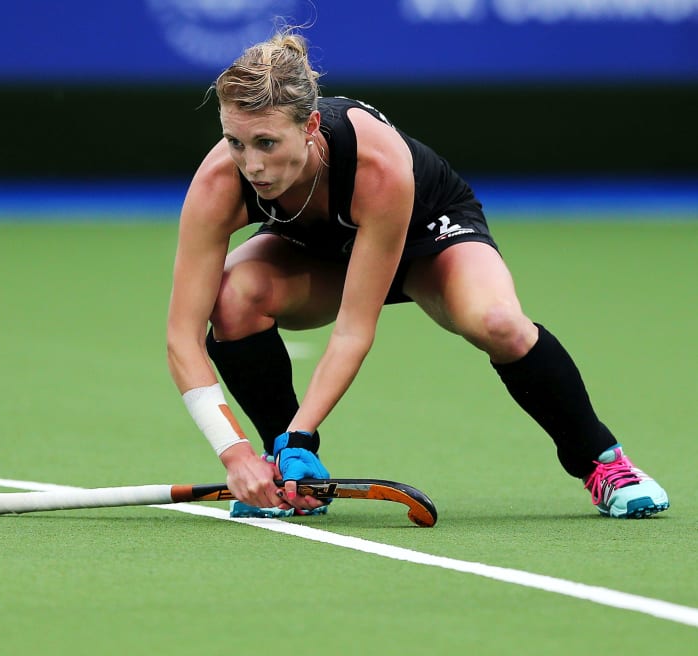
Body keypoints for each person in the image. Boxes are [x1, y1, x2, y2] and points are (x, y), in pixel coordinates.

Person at [165, 29, 669, 520]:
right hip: (319, 254)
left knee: (498, 322)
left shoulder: (377, 166)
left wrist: (305, 435)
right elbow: (181, 338)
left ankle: (605, 464)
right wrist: (236, 453)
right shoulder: (219, 182)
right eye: (236, 141)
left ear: (311, 125)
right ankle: (285, 476)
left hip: (427, 240)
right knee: (231, 298)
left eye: (268, 143)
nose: (252, 165)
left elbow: (353, 330)